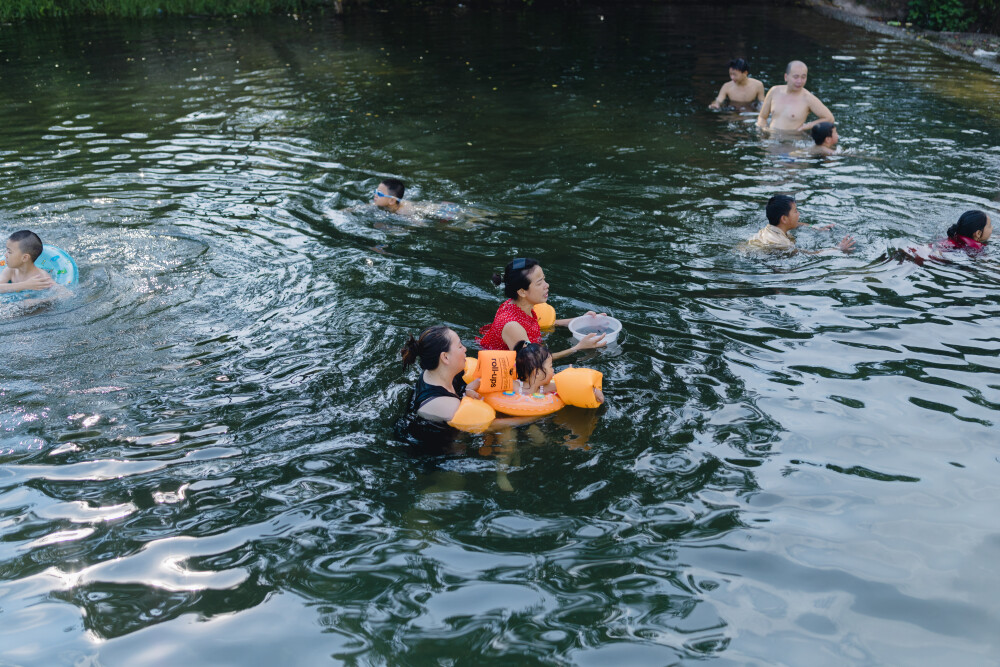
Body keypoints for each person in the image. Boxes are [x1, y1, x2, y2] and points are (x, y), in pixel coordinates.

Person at [476, 258, 607, 359]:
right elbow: (534, 361)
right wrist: (578, 348)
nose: (547, 285)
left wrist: (580, 321)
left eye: (544, 279)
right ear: (522, 292)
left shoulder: (518, 305)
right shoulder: (512, 326)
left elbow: (534, 324)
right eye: (540, 283)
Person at [401, 325, 480, 424]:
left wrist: (468, 389)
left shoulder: (434, 371)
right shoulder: (447, 407)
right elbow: (480, 426)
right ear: (445, 357)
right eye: (460, 346)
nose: (465, 349)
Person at [747, 195, 855, 254]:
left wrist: (817, 228)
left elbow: (797, 224)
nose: (799, 214)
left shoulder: (773, 227)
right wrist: (838, 249)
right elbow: (809, 254)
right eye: (795, 211)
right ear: (784, 218)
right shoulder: (782, 243)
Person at [513, 341, 605, 405]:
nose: (553, 370)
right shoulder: (515, 386)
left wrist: (596, 392)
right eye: (550, 366)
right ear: (537, 373)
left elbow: (573, 384)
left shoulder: (543, 388)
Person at [756, 61, 835, 133]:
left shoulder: (808, 98)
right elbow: (762, 117)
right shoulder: (774, 91)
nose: (799, 81)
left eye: (803, 77)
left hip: (792, 141)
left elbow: (829, 118)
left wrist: (805, 127)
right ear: (786, 77)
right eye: (796, 77)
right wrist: (763, 130)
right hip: (772, 140)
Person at [373, 178, 460, 221]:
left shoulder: (403, 212)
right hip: (443, 207)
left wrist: (404, 229)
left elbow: (420, 223)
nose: (375, 195)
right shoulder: (389, 204)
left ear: (392, 201)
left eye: (379, 193)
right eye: (376, 191)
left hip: (444, 212)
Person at [1, 230, 55, 295]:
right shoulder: (10, 270)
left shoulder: (41, 277)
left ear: (25, 258)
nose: (5, 255)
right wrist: (25, 285)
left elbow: (65, 294)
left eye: (9, 252)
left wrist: (35, 302)